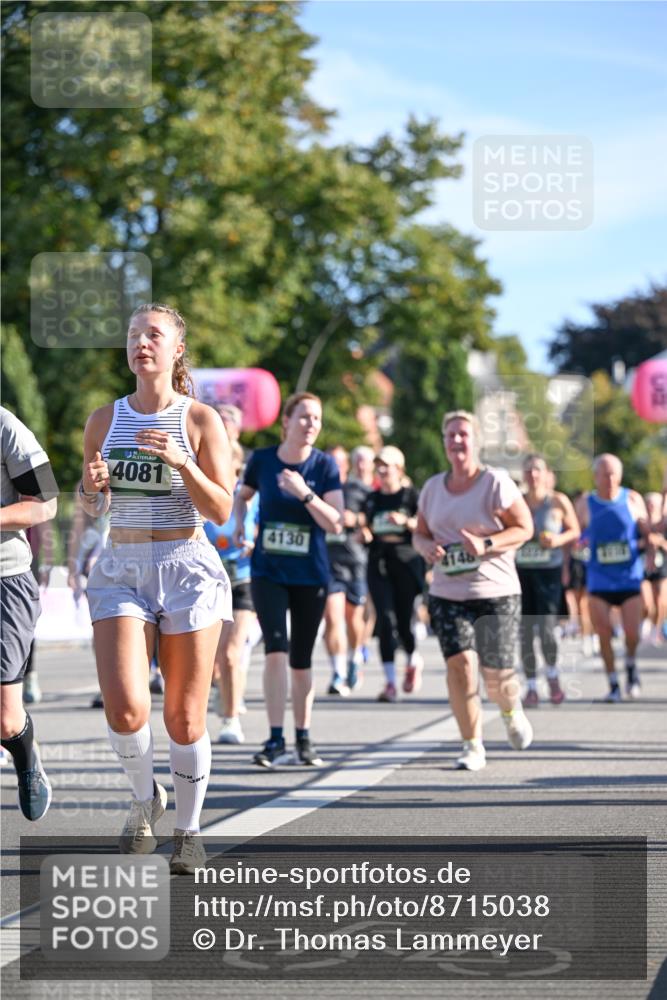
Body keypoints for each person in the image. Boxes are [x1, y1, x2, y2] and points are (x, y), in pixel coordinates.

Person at [80, 303, 234, 874]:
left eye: (153, 335)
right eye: (133, 335)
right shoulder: (103, 419)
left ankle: (189, 832)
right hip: (122, 564)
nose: (141, 343)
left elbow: (220, 509)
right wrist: (92, 491)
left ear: (176, 351)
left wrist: (181, 461)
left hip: (185, 563)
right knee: (124, 709)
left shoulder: (200, 420)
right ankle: (146, 798)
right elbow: (93, 502)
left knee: (186, 719)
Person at [412, 410, 534, 771]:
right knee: (461, 667)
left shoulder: (494, 482)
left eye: (463, 434)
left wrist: (488, 543)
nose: (457, 441)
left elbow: (524, 528)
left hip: (496, 591)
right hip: (448, 593)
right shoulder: (433, 488)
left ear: (475, 440)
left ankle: (511, 711)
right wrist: (425, 548)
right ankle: (472, 745)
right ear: (444, 442)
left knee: (496, 676)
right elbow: (419, 533)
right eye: (450, 435)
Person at [232, 392, 343, 768]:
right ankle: (275, 738)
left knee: (301, 659)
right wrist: (239, 527)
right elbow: (242, 497)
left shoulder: (325, 466)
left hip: (311, 574)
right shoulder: (262, 460)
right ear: (287, 421)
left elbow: (336, 520)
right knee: (275, 650)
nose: (312, 424)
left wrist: (305, 493)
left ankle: (304, 737)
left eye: (317, 418)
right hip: (268, 572)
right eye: (305, 417)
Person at [1, 406, 59, 819]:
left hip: (5, 579)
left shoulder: (5, 427)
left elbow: (45, 505)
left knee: (5, 720)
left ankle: (25, 758)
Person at [575, 454, 650, 701]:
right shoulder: (586, 503)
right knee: (604, 632)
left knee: (632, 633)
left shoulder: (631, 498)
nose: (608, 479)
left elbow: (647, 531)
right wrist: (577, 547)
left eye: (612, 473)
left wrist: (648, 543)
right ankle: (613, 683)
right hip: (599, 578)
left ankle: (629, 663)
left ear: (620, 475)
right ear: (595, 477)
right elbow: (575, 534)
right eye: (603, 474)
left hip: (629, 576)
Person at [204, 440, 258, 744]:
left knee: (230, 653)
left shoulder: (251, 497)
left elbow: (261, 525)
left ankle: (230, 720)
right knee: (212, 658)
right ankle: (222, 693)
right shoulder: (205, 490)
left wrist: (254, 543)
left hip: (243, 578)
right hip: (210, 580)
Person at [362, 446, 424, 702]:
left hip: (407, 562)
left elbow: (428, 524)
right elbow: (366, 527)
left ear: (399, 468)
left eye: (387, 465)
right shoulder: (373, 498)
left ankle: (412, 659)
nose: (383, 470)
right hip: (379, 563)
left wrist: (407, 522)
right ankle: (389, 682)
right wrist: (364, 534)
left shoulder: (411, 496)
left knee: (404, 619)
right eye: (380, 465)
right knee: (385, 621)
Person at [517, 455, 580, 707]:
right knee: (524, 632)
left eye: (537, 470)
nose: (533, 475)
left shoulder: (557, 501)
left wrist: (556, 541)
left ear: (545, 474)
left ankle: (552, 675)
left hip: (549, 572)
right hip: (521, 572)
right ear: (523, 475)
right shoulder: (516, 502)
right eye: (528, 470)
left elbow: (575, 531)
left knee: (545, 629)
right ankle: (531, 686)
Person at [323, 445, 371, 694]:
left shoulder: (357, 489)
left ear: (346, 466)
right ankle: (338, 672)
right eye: (331, 461)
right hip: (329, 562)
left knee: (353, 618)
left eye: (339, 462)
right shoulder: (317, 488)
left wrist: (358, 520)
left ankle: (354, 659)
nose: (335, 466)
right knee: (333, 617)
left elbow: (373, 515)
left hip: (355, 561)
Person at [643, 492, 667, 644]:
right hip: (643, 564)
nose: (651, 507)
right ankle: (647, 623)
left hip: (662, 564)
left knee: (661, 601)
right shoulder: (641, 523)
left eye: (654, 504)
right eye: (649, 503)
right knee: (647, 602)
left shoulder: (665, 525)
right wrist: (645, 541)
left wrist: (660, 542)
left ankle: (656, 629)